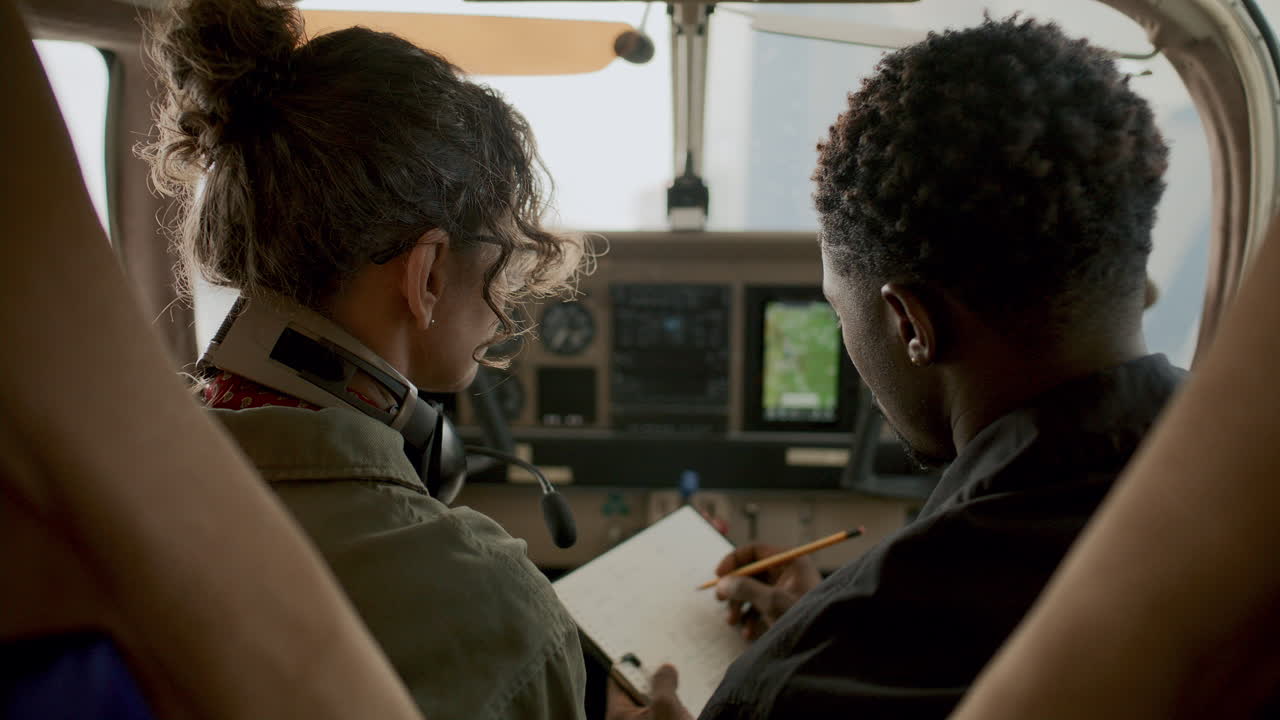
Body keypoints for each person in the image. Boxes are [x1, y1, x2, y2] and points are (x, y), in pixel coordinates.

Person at [610, 16, 1179, 719]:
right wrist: (816, 609)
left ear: (911, 324)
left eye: (837, 312)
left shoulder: (805, 684)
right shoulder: (1241, 498)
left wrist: (816, 637)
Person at [144, 1, 587, 719]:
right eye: (500, 268)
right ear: (429, 275)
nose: (504, 306)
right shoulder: (487, 607)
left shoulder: (111, 479)